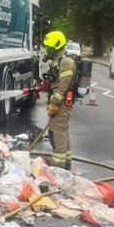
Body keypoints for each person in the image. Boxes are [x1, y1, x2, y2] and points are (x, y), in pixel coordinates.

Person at [42, 30, 77, 170]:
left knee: (57, 131)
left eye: (49, 47)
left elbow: (64, 84)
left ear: (57, 46)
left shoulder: (66, 62)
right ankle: (66, 161)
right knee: (62, 129)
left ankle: (58, 163)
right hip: (60, 100)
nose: (47, 50)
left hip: (62, 102)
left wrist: (54, 102)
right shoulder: (58, 60)